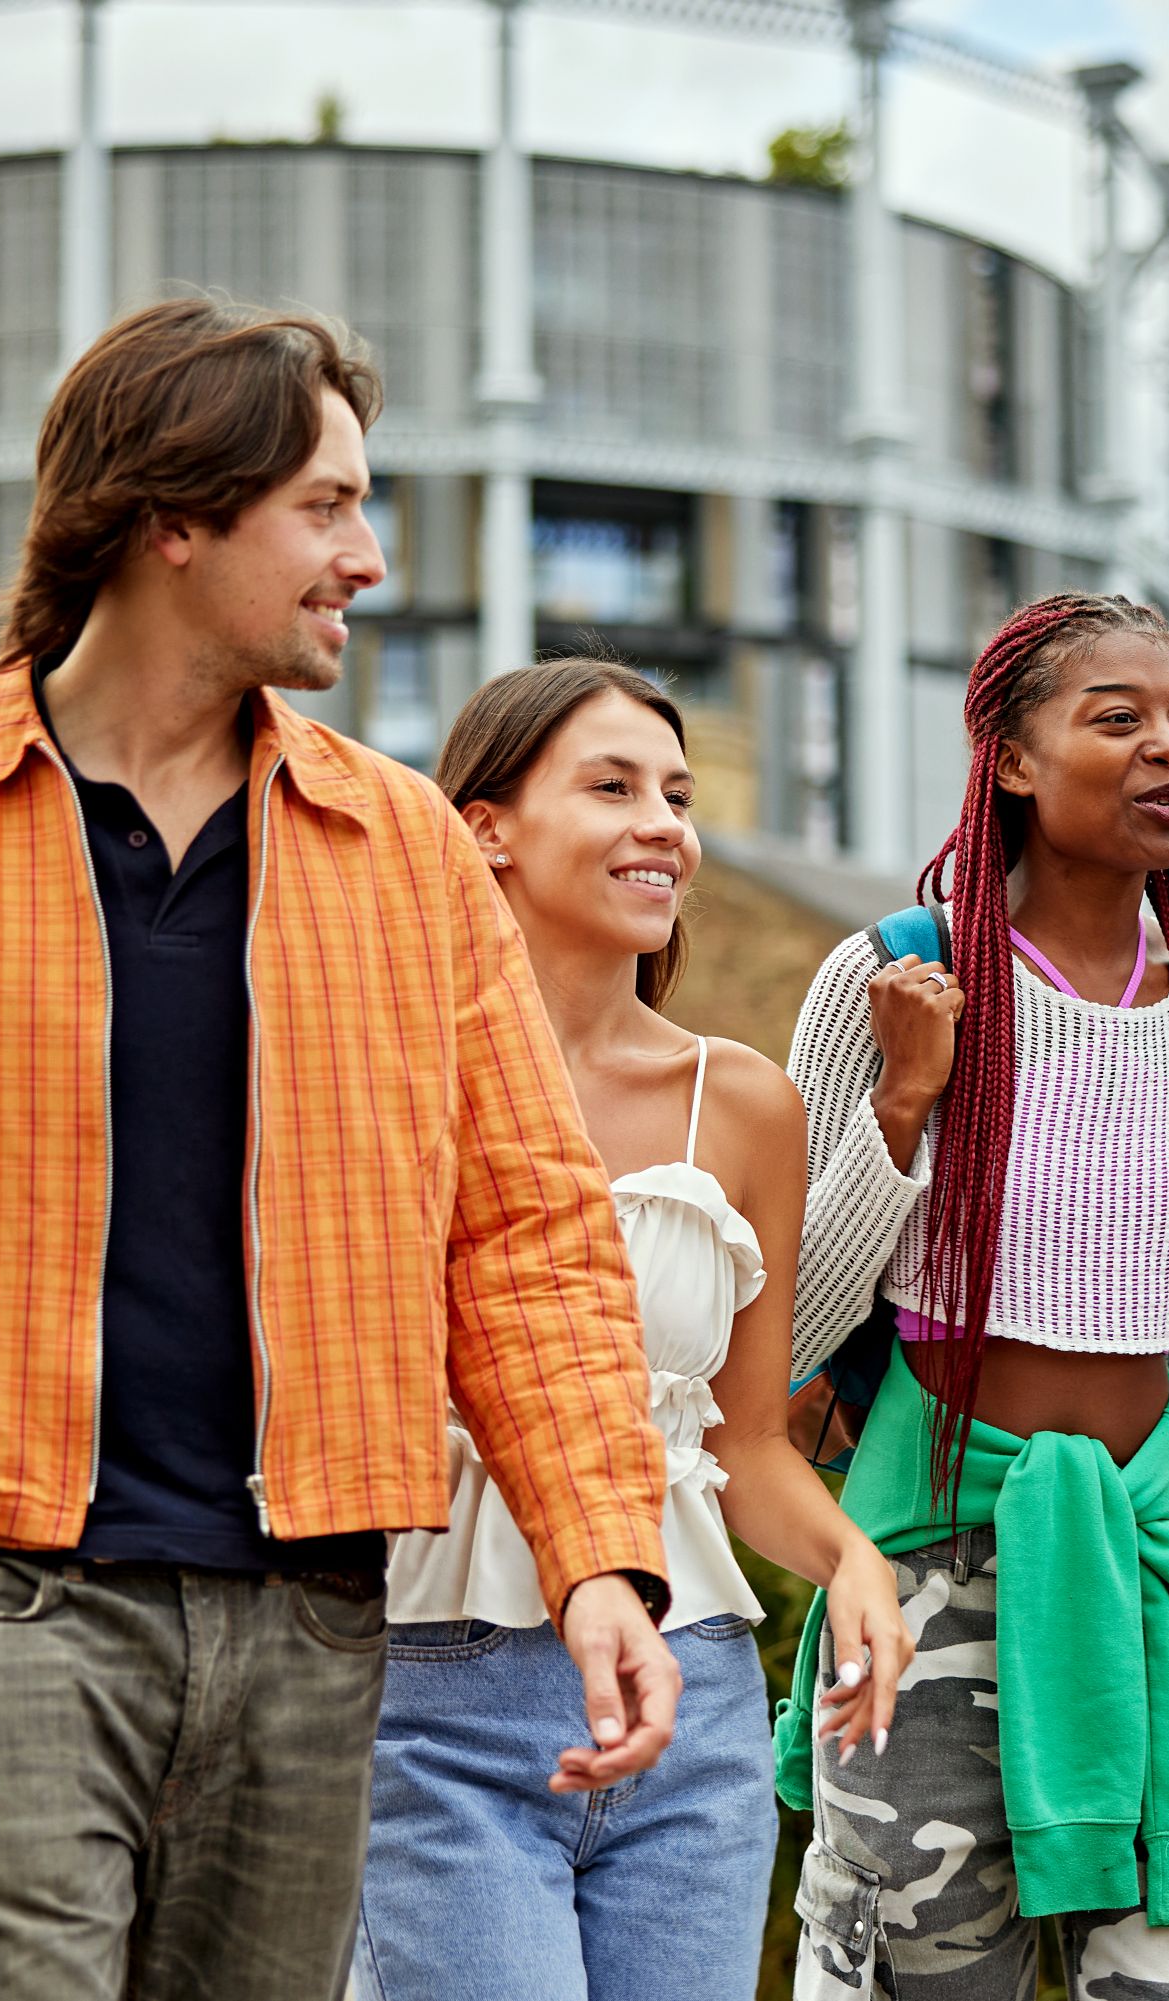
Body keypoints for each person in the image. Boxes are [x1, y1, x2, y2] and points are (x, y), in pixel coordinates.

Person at [0, 299, 680, 1999]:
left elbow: (525, 1235)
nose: (371, 554)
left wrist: (599, 1559)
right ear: (172, 519)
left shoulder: (403, 849)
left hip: (315, 1618)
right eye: (326, 507)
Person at [776, 592, 1169, 2000]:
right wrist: (904, 1101)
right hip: (928, 1560)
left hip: (1160, 1553)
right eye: (1119, 718)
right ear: (1011, 758)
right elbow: (781, 1320)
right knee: (915, 1961)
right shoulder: (897, 971)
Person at [352, 659, 914, 2001]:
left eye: (678, 792)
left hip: (695, 1696)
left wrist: (852, 1557)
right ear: (484, 825)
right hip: (428, 1696)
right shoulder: (375, 1076)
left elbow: (747, 1444)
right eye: (611, 786)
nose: (664, 821)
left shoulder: (747, 1105)